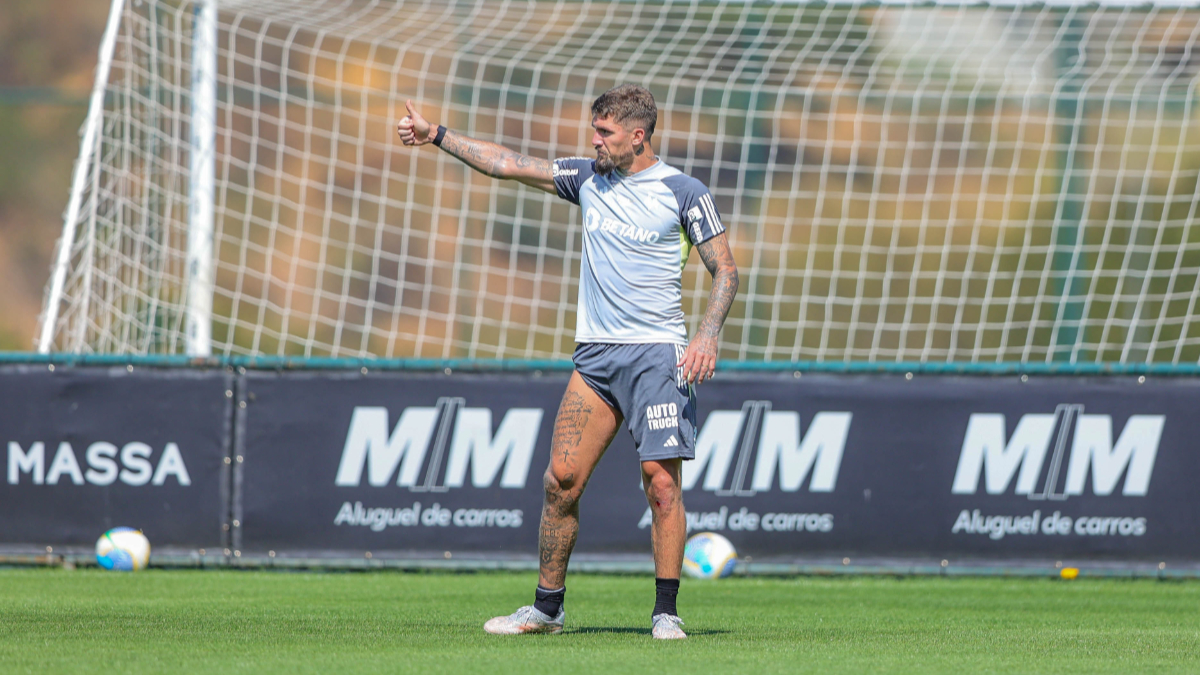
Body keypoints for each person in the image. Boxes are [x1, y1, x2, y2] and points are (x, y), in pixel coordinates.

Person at [396, 84, 738, 640]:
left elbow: (725, 269)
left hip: (659, 355)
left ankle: (666, 613)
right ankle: (546, 610)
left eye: (605, 132)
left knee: (661, 485)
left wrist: (706, 335)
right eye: (594, 130)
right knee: (562, 481)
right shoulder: (588, 179)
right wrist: (436, 135)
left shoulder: (683, 191)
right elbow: (508, 165)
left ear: (637, 135)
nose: (595, 140)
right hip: (596, 356)